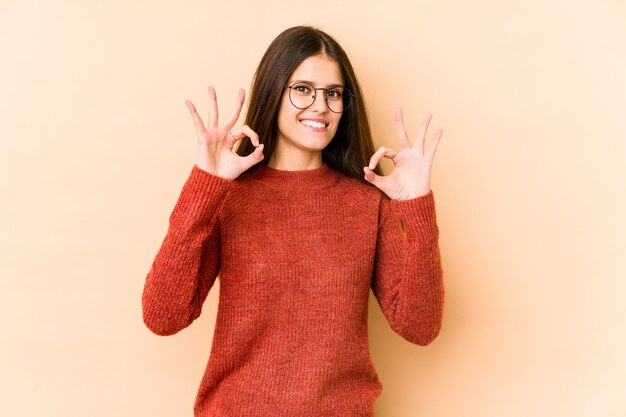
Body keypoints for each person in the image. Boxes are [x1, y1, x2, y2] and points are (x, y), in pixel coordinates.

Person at [142, 25, 444, 417]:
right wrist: (206, 185)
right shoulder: (230, 197)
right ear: (274, 92)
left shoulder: (367, 203)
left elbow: (420, 328)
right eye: (302, 89)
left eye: (333, 94)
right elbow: (163, 317)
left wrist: (417, 206)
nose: (320, 106)